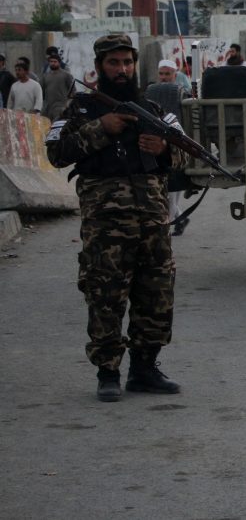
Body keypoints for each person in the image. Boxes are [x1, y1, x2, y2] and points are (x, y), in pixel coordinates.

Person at [45, 34, 187, 402]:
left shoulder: (154, 110)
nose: (121, 70)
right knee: (105, 295)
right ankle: (108, 372)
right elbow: (56, 153)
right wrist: (101, 128)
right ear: (100, 67)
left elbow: (190, 155)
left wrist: (166, 149)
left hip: (154, 225)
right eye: (113, 63)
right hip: (105, 226)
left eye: (127, 62)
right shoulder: (79, 110)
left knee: (156, 296)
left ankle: (144, 369)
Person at [147, 60, 194, 236]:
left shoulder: (184, 95)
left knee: (170, 197)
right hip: (157, 151)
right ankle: (179, 220)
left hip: (178, 154)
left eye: (168, 74)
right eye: (162, 74)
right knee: (167, 196)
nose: (164, 77)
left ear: (175, 75)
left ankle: (170, 225)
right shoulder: (151, 93)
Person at [42, 53, 75, 120]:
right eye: (51, 61)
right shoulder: (45, 76)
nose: (53, 63)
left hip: (61, 107)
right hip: (48, 108)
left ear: (59, 63)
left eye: (55, 61)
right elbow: (42, 93)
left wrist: (68, 104)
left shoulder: (66, 75)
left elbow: (73, 91)